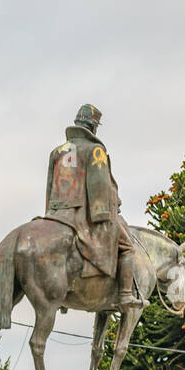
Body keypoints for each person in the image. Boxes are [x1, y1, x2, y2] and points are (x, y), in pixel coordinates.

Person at [44, 104, 144, 307]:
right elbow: (99, 186)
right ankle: (125, 294)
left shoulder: (58, 152)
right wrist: (104, 213)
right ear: (93, 126)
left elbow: (49, 186)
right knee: (128, 248)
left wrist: (49, 212)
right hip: (82, 214)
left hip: (56, 214)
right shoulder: (95, 150)